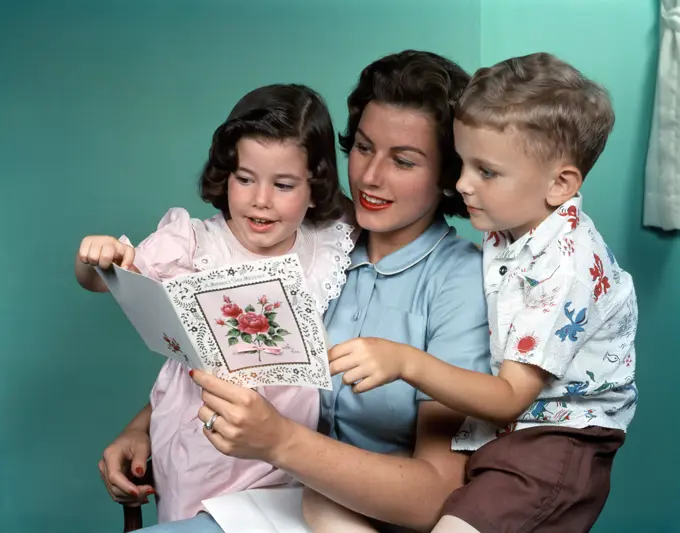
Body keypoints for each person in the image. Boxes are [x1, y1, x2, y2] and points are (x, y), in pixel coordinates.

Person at [330, 52, 639, 533]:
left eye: (485, 172)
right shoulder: (515, 222)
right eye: (463, 164)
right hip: (510, 437)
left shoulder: (565, 265)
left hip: (556, 444)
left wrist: (405, 361)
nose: (462, 184)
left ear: (560, 183)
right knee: (321, 503)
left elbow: (509, 398)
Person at [187, 49, 491, 533]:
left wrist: (281, 441)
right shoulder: (313, 240)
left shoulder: (461, 284)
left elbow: (439, 496)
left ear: (449, 177)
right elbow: (234, 349)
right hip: (273, 497)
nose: (370, 177)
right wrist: (142, 427)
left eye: (404, 161)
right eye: (365, 148)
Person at [75, 84, 355, 526]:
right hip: (198, 442)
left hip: (287, 454)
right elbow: (106, 279)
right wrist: (96, 257)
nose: (260, 199)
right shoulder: (191, 244)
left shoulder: (326, 247)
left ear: (315, 188)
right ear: (226, 175)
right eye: (245, 179)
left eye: (283, 185)